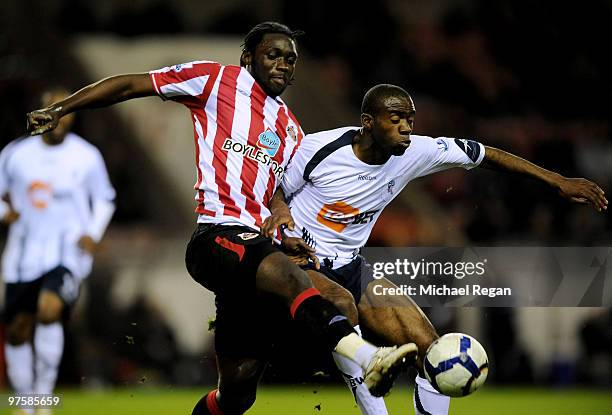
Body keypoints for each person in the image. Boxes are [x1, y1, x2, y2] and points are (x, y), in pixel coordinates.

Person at [26, 23, 418, 415]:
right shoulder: (215, 80)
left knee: (237, 392)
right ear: (248, 57)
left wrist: (288, 226)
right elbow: (131, 85)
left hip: (261, 257)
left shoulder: (292, 130)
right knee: (306, 286)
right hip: (217, 238)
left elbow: (283, 198)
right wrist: (63, 108)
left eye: (291, 59)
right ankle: (367, 359)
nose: (283, 64)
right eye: (273, 55)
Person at [262, 83, 608, 415]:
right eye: (395, 119)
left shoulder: (416, 151)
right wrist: (280, 212)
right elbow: (275, 188)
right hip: (302, 264)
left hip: (353, 267)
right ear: (368, 122)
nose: (405, 128)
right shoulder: (320, 148)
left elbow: (485, 154)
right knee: (352, 339)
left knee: (432, 348)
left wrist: (557, 181)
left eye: (410, 120)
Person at [1, 88, 116, 415]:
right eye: (51, 110)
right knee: (17, 329)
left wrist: (92, 233)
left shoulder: (87, 155)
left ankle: (43, 396)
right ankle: (24, 401)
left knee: (49, 311)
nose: (59, 117)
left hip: (67, 252)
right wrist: (3, 212)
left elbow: (105, 198)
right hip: (22, 254)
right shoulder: (16, 154)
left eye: (65, 111)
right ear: (38, 113)